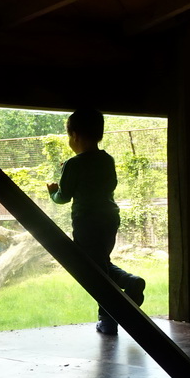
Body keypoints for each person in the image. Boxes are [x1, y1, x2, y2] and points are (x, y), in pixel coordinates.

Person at [47, 109, 145, 335]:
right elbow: (109, 185)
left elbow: (64, 197)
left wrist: (53, 192)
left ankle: (108, 319)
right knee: (99, 262)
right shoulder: (107, 160)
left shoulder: (74, 164)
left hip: (86, 222)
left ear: (76, 136)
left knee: (93, 270)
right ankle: (129, 281)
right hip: (110, 218)